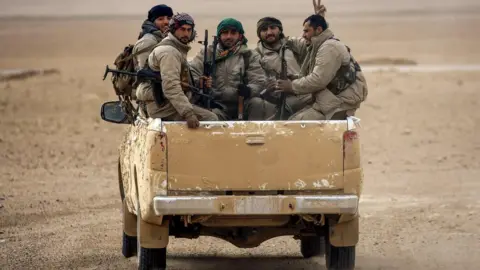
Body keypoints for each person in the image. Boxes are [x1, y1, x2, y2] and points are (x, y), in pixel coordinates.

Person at [275, 14, 368, 120]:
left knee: (296, 123)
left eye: (306, 31)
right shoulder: (317, 45)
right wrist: (296, 77)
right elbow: (299, 44)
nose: (303, 35)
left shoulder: (329, 48)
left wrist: (292, 86)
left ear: (318, 30)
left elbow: (318, 79)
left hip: (339, 102)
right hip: (330, 97)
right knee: (291, 108)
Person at [136, 13, 218, 128]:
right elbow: (171, 86)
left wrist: (196, 83)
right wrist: (188, 113)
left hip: (167, 103)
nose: (186, 34)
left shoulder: (176, 49)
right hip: (162, 107)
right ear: (173, 30)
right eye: (182, 29)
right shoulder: (169, 52)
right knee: (211, 119)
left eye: (189, 30)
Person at [189, 18, 269, 120]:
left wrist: (249, 90)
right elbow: (193, 73)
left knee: (257, 103)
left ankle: (255, 134)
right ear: (219, 36)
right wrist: (201, 83)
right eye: (225, 33)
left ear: (240, 35)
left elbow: (259, 81)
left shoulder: (249, 55)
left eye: (233, 33)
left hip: (241, 103)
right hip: (216, 104)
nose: (229, 36)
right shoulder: (207, 54)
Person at [132, 4, 173, 70]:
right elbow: (143, 73)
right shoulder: (147, 41)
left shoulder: (166, 38)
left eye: (169, 18)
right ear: (153, 22)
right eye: (160, 19)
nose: (166, 22)